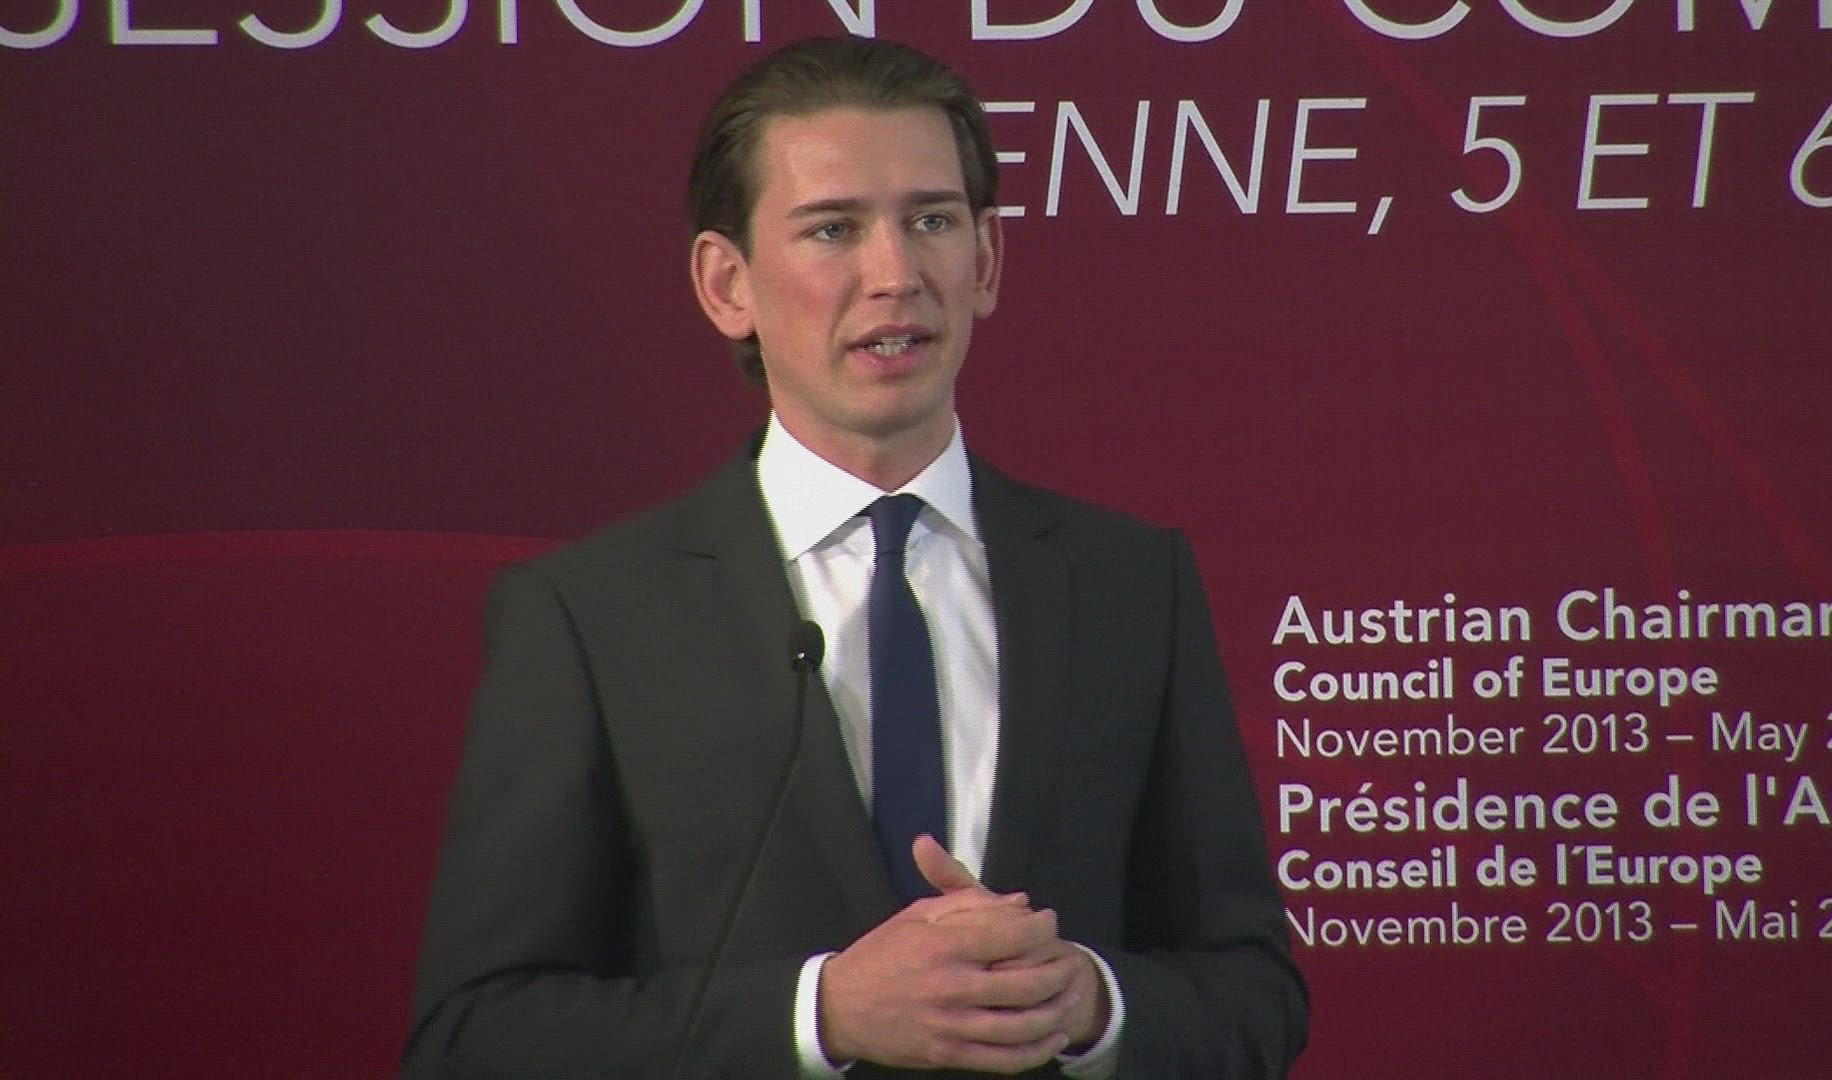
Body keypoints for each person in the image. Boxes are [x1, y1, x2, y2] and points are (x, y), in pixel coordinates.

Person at [404, 36, 1307, 1079]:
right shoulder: (590, 616)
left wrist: (1091, 1004)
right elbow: (479, 1035)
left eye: (932, 221)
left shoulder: (1129, 585)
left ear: (987, 259)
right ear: (727, 284)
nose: (896, 274)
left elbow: (1254, 994)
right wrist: (819, 1015)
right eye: (834, 229)